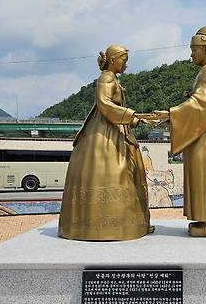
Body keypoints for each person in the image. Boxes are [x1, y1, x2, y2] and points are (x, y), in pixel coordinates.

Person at [58, 45, 153, 241]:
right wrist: (130, 116)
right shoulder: (106, 78)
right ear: (112, 60)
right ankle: (108, 226)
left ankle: (124, 224)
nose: (126, 64)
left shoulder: (112, 79)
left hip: (114, 127)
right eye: (123, 60)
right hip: (105, 132)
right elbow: (104, 103)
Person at [151, 22, 206, 237]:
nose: (191, 55)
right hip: (202, 130)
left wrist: (171, 114)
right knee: (201, 176)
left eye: (193, 50)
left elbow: (202, 103)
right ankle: (204, 220)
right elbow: (198, 103)